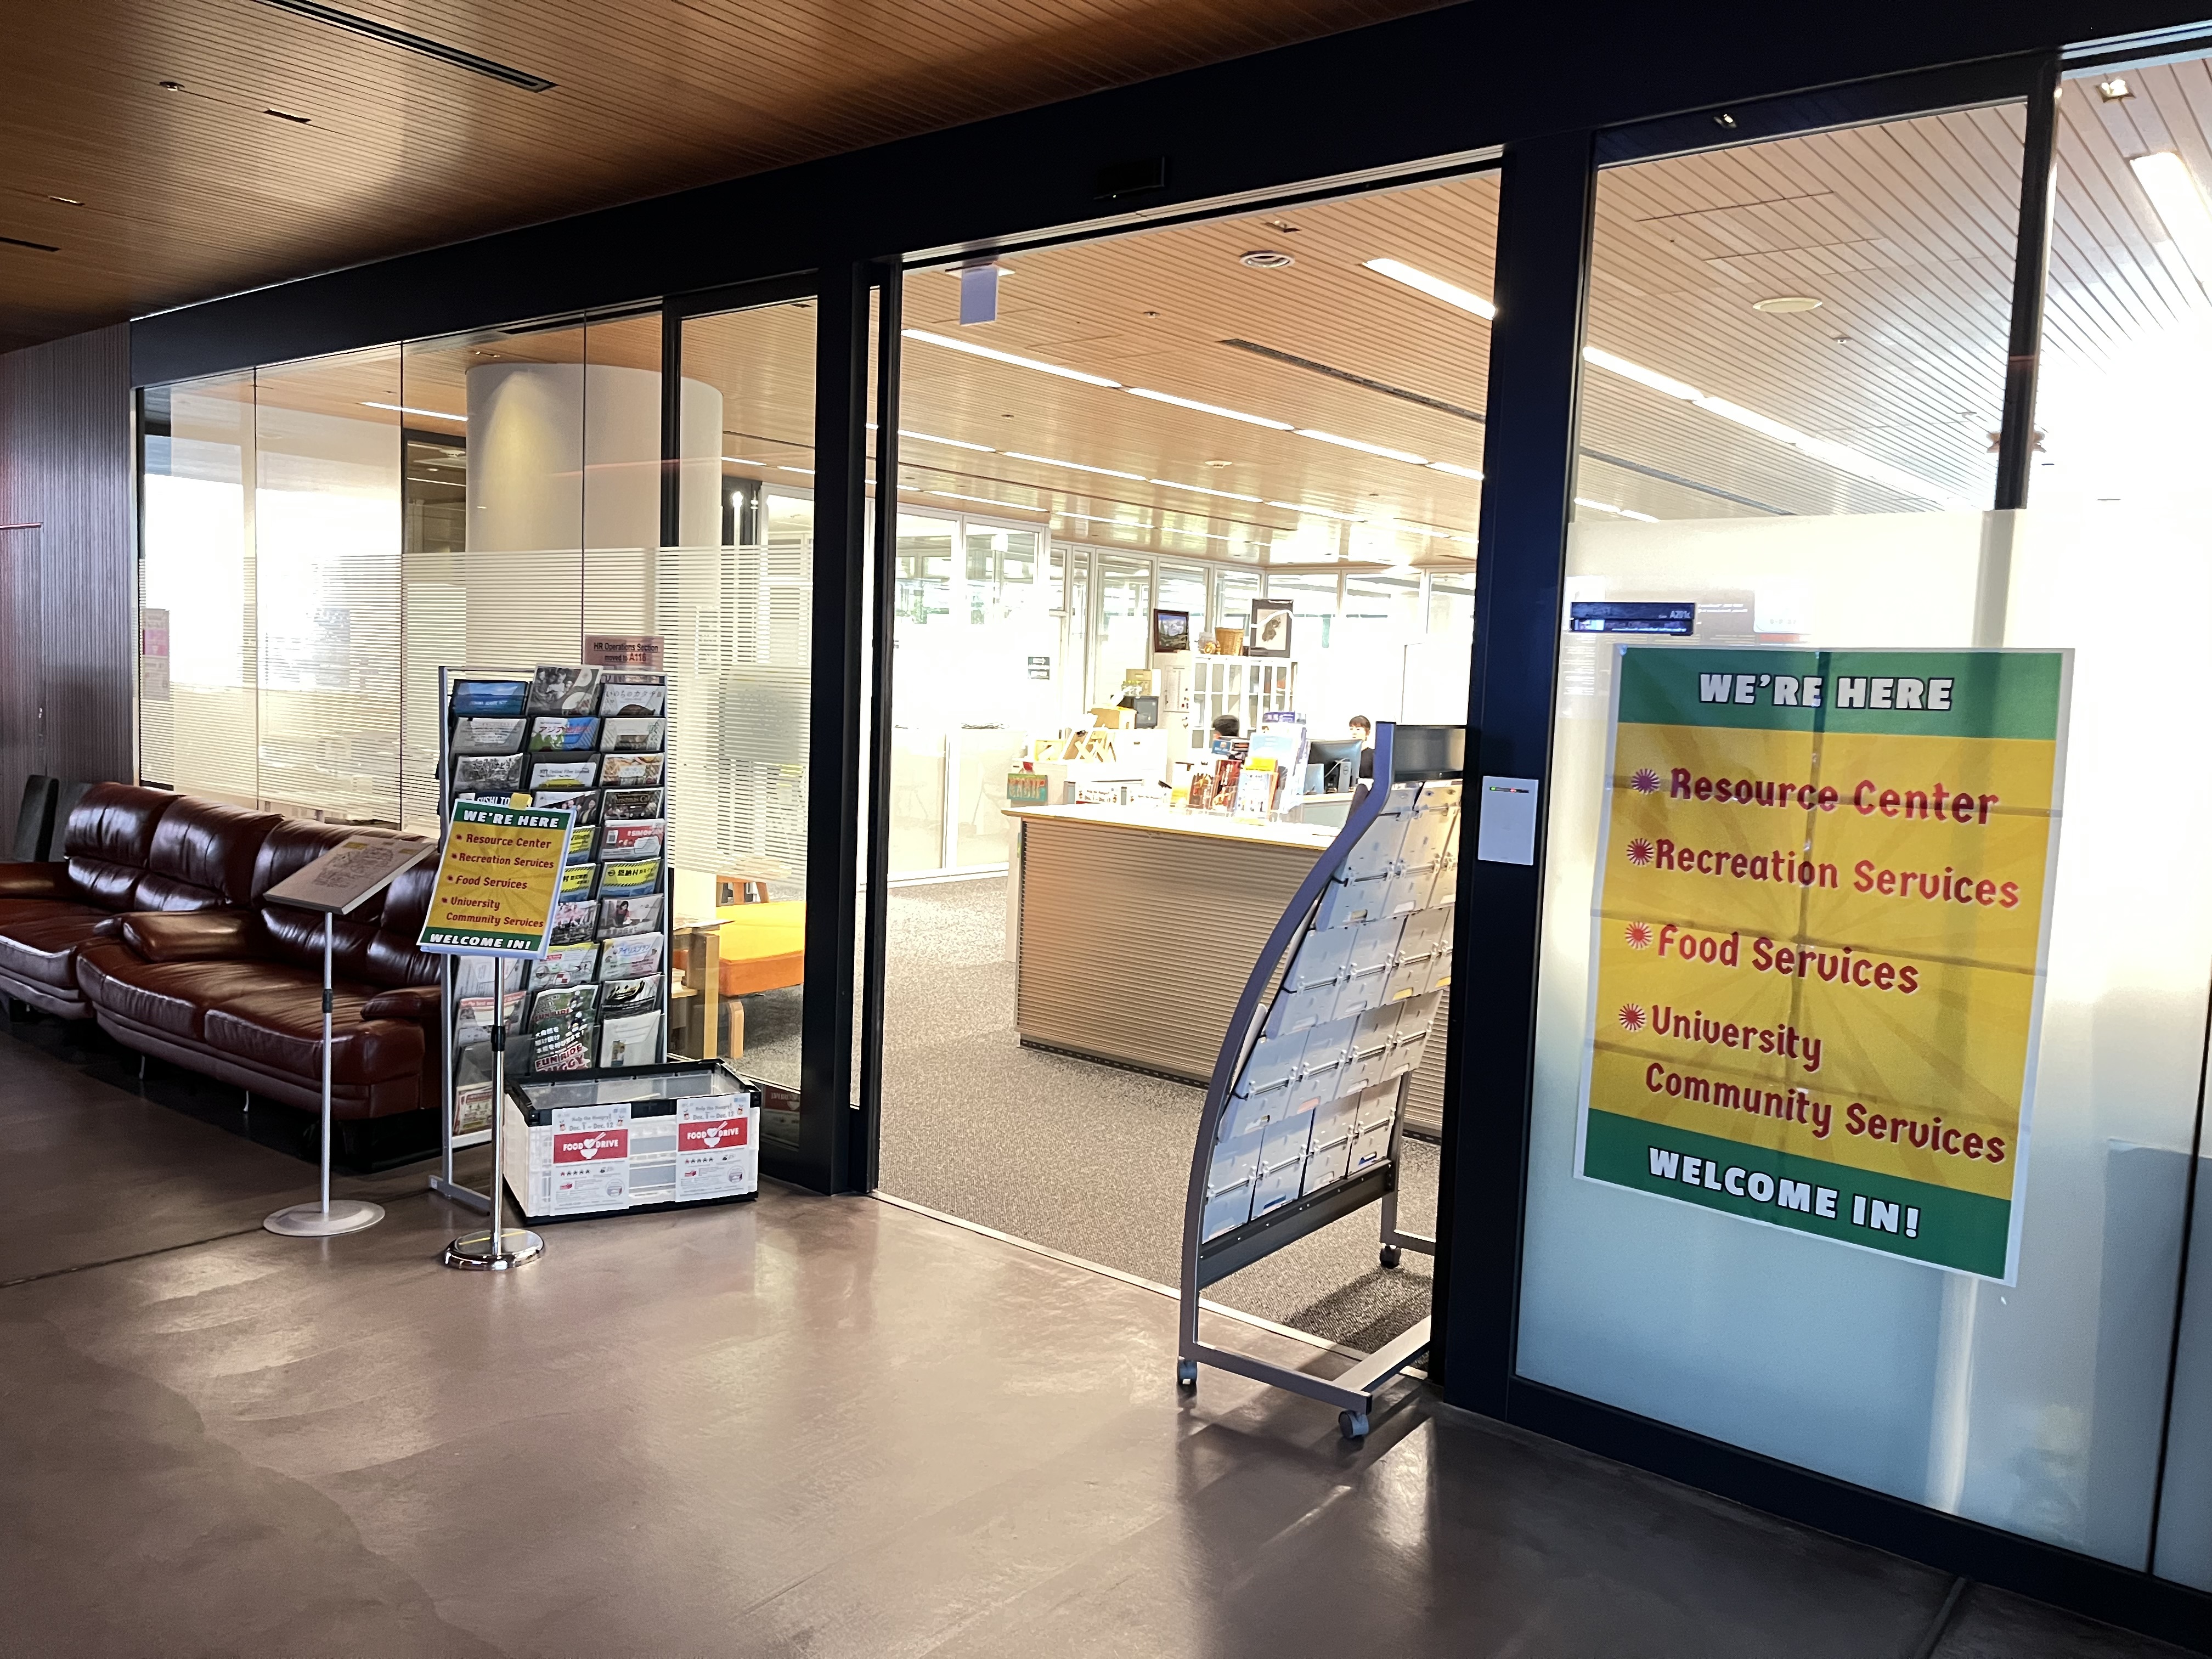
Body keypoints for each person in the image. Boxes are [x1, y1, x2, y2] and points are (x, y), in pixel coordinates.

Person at [1348, 713, 1375, 781]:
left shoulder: (1374, 755)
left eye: (1358, 729)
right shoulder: (1345, 755)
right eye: (1351, 729)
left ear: (1367, 733)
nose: (1354, 732)